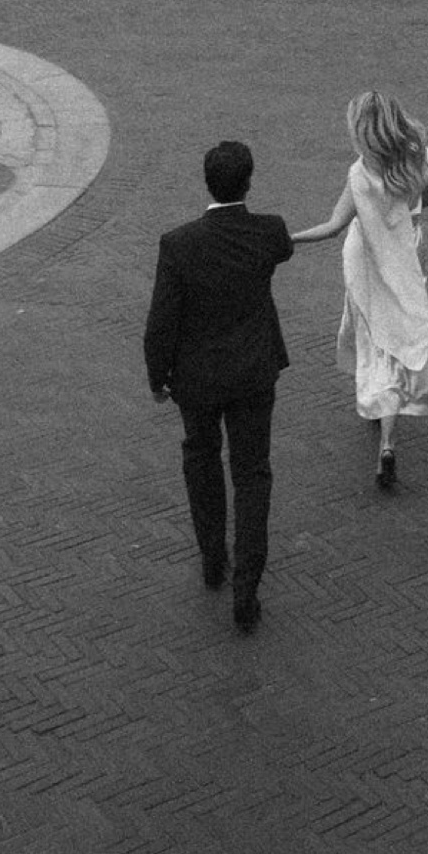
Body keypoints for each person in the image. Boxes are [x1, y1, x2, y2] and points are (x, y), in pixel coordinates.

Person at [144, 140, 294, 633]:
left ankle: (213, 558)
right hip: (253, 373)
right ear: (249, 182)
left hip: (197, 379)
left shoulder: (179, 245)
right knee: (252, 474)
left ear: (206, 182)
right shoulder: (267, 233)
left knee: (201, 457)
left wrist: (158, 377)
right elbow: (285, 246)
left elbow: (160, 323)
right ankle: (247, 586)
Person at [292, 91, 428, 487]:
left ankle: (381, 411)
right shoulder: (424, 159)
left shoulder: (361, 174)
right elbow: (423, 204)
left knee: (375, 338)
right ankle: (389, 442)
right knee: (401, 332)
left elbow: (333, 226)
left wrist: (287, 238)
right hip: (407, 252)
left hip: (366, 261)